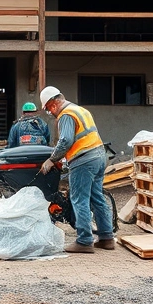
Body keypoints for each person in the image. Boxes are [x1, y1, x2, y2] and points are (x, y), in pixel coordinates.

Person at [39, 86, 115, 253]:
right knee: (96, 198)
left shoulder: (66, 115)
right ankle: (106, 238)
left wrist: (52, 159)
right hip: (99, 156)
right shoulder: (81, 110)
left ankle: (85, 241)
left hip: (84, 160)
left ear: (54, 103)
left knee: (79, 199)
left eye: (49, 108)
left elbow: (65, 140)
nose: (51, 113)